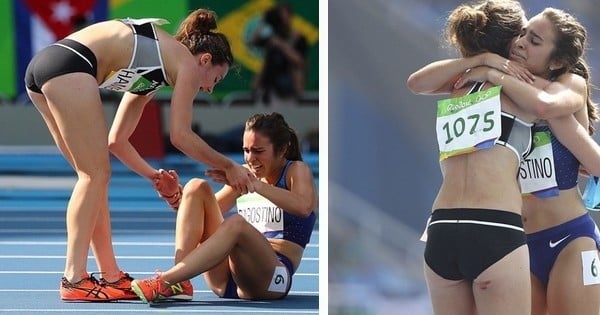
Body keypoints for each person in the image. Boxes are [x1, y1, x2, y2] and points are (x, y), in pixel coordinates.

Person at [24, 8, 254, 301]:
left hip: (47, 66)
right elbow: (181, 136)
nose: (208, 89)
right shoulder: (185, 62)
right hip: (70, 65)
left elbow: (117, 141)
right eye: (216, 80)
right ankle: (73, 278)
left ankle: (111, 275)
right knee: (95, 175)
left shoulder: (153, 70)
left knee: (94, 181)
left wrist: (154, 176)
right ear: (205, 60)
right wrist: (229, 166)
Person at [409, 5, 600, 315]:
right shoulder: (497, 84)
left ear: (558, 60)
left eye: (535, 41)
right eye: (522, 34)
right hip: (515, 239)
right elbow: (418, 84)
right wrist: (482, 66)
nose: (522, 42)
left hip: (567, 236)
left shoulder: (567, 84)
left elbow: (545, 106)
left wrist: (490, 72)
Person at [407, 1, 534, 314]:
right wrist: (488, 65)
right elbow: (554, 103)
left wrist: (480, 65)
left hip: (443, 227)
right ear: (514, 40)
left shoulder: (460, 87)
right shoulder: (523, 87)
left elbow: (416, 83)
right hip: (495, 227)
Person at [130, 112, 317, 303]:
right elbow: (200, 216)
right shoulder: (247, 173)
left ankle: (167, 280)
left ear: (283, 149)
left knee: (237, 223)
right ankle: (180, 282)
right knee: (196, 187)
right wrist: (175, 197)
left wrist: (256, 184)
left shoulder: (296, 170)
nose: (251, 158)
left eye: (258, 151)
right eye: (246, 150)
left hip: (271, 279)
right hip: (226, 278)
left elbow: (303, 207)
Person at [248, 3, 308, 104]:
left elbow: (299, 61)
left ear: (290, 17)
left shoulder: (298, 38)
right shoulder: (271, 37)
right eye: (279, 17)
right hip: (267, 86)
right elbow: (252, 42)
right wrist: (265, 22)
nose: (282, 20)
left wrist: (280, 45)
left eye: (284, 16)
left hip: (288, 87)